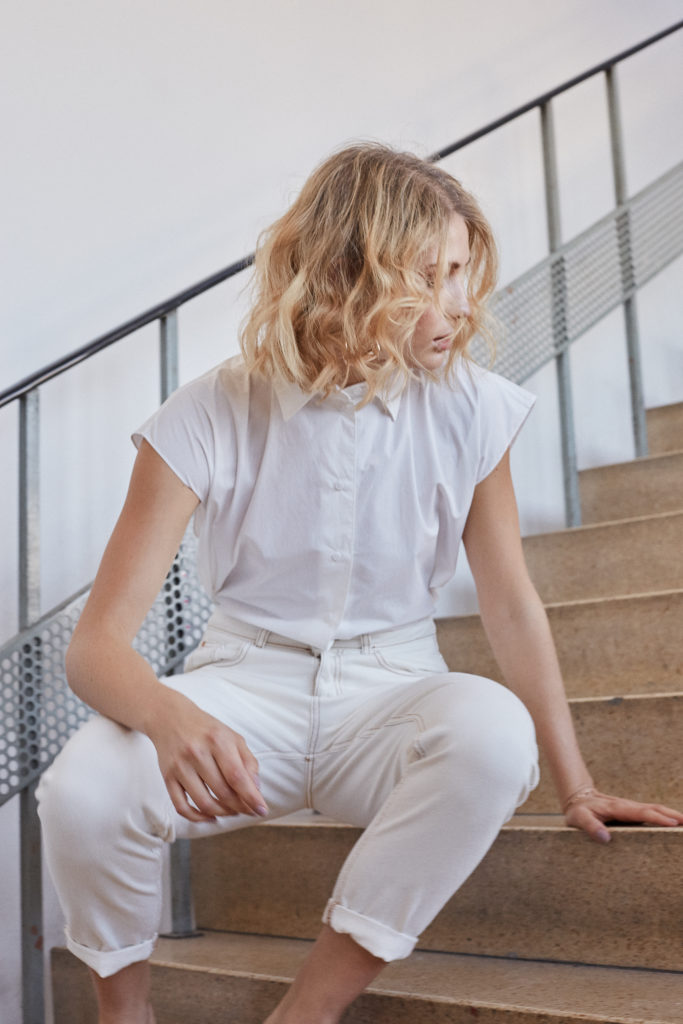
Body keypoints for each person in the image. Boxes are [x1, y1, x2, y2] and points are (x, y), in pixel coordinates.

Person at [37, 143, 683, 1024]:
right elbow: (95, 647)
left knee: (492, 733)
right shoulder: (207, 412)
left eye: (461, 271)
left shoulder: (473, 407)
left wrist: (573, 783)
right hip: (241, 686)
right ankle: (125, 1014)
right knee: (80, 787)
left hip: (390, 690)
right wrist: (167, 712)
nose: (459, 303)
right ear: (345, 274)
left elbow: (508, 604)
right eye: (427, 275)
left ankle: (307, 1012)